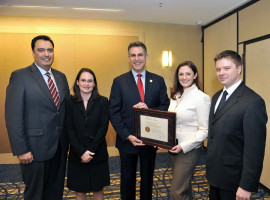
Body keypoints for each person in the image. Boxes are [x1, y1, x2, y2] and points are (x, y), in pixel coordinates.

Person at [5, 35, 70, 200]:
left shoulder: (61, 77)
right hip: (34, 150)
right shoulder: (20, 76)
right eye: (41, 50)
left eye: (50, 50)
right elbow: (13, 116)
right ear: (33, 53)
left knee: (55, 192)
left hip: (60, 147)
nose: (46, 54)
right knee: (35, 194)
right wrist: (22, 149)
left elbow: (65, 110)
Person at [109, 41, 170, 200]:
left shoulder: (158, 80)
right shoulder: (119, 81)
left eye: (140, 55)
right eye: (133, 55)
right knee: (127, 180)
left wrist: (149, 110)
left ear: (146, 56)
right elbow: (113, 112)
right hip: (127, 140)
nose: (137, 58)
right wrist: (127, 135)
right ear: (129, 58)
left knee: (148, 180)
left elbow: (165, 106)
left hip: (150, 141)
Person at [206, 50, 268, 200]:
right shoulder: (216, 97)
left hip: (234, 179)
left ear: (239, 69)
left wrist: (246, 185)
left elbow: (255, 149)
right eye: (218, 69)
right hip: (215, 173)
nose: (221, 73)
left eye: (227, 68)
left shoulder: (253, 102)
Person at [168, 61, 211, 199]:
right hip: (173, 147)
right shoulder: (176, 96)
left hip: (189, 150)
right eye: (181, 74)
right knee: (184, 188)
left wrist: (183, 146)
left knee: (177, 191)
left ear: (195, 75)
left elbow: (205, 130)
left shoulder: (202, 98)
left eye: (188, 73)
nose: (184, 77)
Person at [65, 68, 110, 200]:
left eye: (90, 81)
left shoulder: (103, 101)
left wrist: (90, 151)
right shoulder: (69, 102)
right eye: (83, 80)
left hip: (97, 154)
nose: (86, 83)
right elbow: (69, 129)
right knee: (79, 192)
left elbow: (103, 128)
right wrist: (81, 152)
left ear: (94, 83)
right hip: (76, 154)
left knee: (98, 191)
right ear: (77, 82)